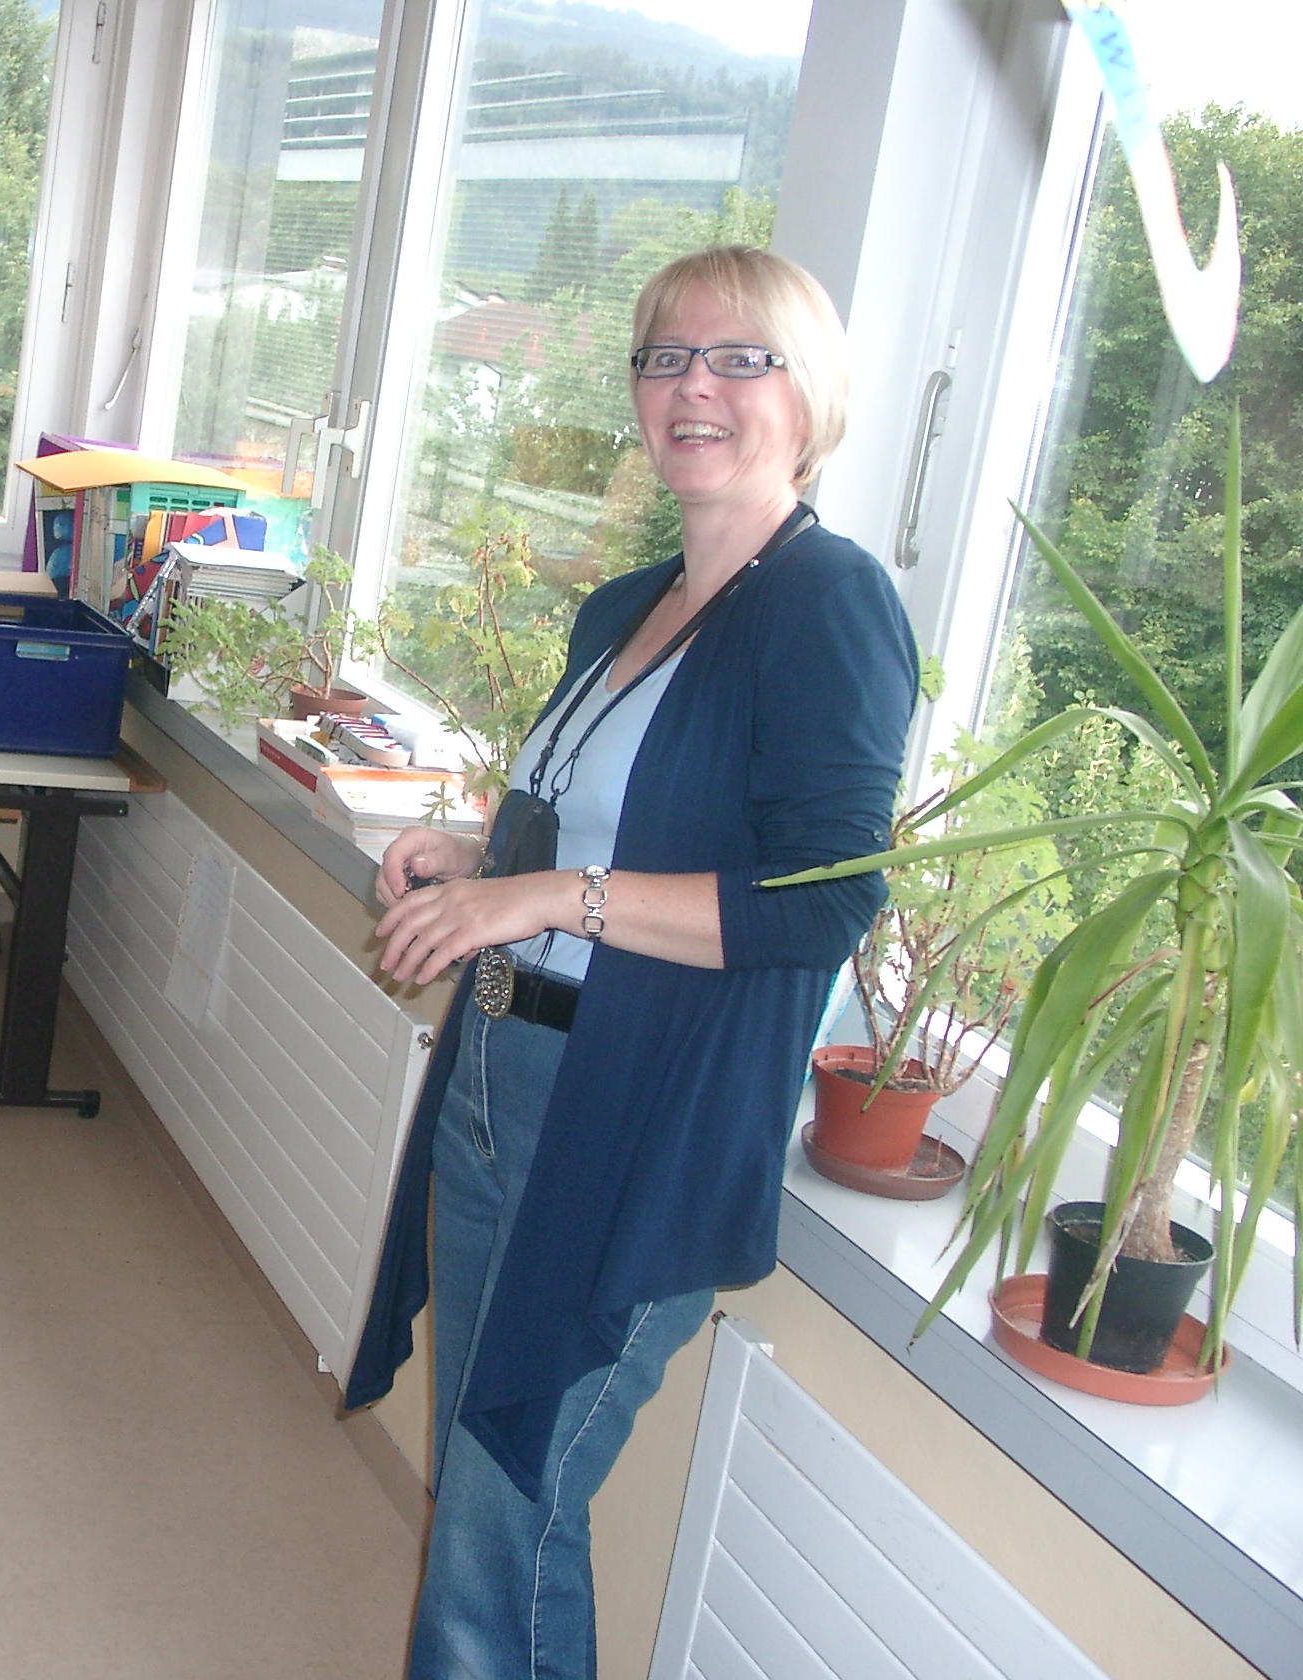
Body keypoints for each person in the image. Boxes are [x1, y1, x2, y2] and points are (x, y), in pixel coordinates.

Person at [345, 246, 918, 1679]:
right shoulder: (625, 604)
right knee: (480, 1469)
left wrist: (549, 893)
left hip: (635, 1112)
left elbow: (820, 904)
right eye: (665, 357)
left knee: (511, 1494)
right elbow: (596, 825)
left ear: (809, 393)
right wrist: (476, 863)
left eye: (738, 358)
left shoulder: (828, 603)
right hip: (501, 1062)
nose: (693, 387)